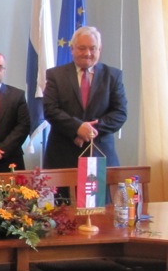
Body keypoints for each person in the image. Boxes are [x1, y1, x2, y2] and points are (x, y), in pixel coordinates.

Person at [44, 26, 127, 172]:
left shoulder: (113, 76)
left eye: (92, 48)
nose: (87, 53)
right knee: (64, 190)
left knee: (101, 189)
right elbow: (50, 110)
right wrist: (77, 127)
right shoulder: (55, 75)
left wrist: (88, 131)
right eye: (82, 48)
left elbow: (120, 113)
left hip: (100, 153)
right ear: (72, 49)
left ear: (99, 50)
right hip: (63, 156)